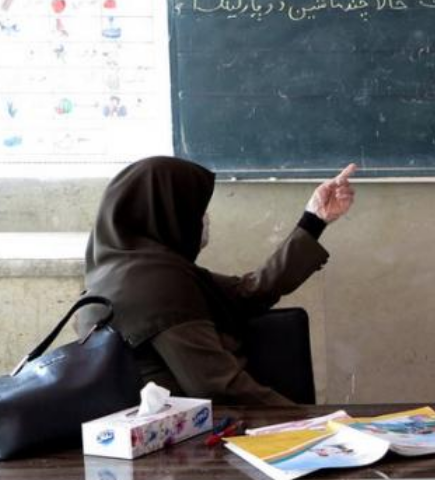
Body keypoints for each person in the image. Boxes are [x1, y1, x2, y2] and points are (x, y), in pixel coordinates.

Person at [79, 156, 357, 405]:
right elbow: (220, 386)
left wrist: (314, 219)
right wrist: (315, 424)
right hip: (184, 446)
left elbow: (249, 292)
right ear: (166, 212)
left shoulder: (131, 270)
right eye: (195, 209)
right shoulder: (153, 285)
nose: (204, 220)